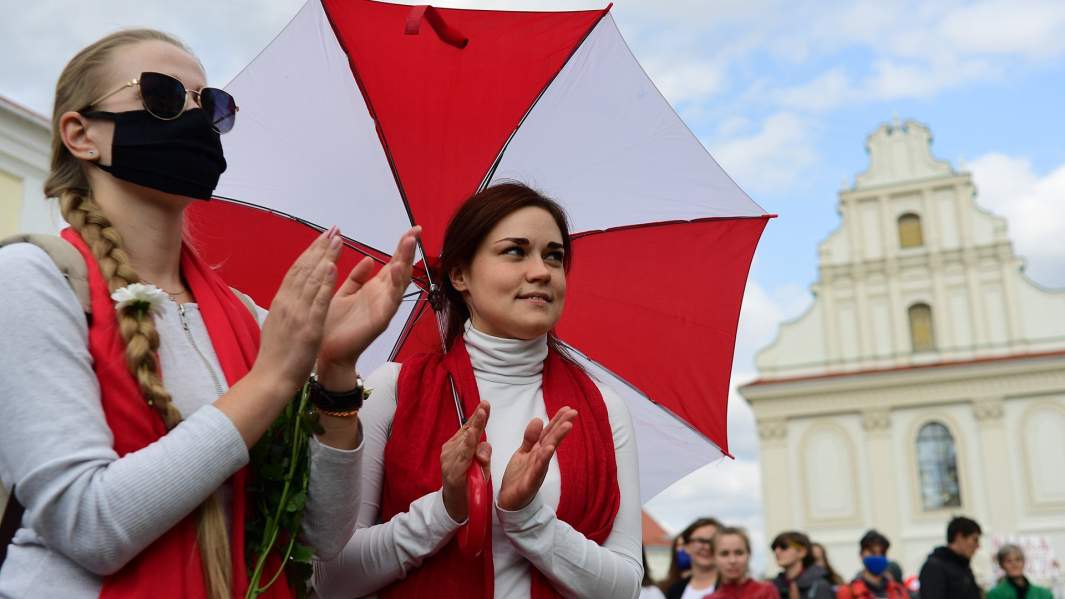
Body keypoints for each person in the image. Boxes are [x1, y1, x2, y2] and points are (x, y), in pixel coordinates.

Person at [0, 29, 420, 598]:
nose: (196, 119)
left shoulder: (245, 316)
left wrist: (335, 372)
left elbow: (319, 536)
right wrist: (272, 379)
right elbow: (88, 524)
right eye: (164, 96)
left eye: (211, 105)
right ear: (82, 135)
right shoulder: (34, 277)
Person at [313, 183, 642, 598]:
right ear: (460, 275)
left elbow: (626, 586)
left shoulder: (603, 409)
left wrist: (527, 517)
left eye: (554, 256)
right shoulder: (392, 388)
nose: (541, 271)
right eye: (515, 251)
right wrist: (444, 509)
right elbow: (327, 577)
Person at [917, 516, 983, 599]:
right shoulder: (934, 567)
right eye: (975, 539)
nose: (978, 546)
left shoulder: (963, 566)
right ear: (959, 537)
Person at [707, 526, 777, 599]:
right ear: (713, 557)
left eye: (739, 553)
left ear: (749, 554)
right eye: (724, 554)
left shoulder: (766, 591)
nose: (732, 560)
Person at [836, 530, 909, 599]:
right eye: (872, 552)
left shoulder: (898, 591)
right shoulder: (849, 592)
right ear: (861, 555)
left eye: (882, 553)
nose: (878, 556)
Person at [666, 518, 723, 599]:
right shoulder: (673, 591)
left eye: (712, 541)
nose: (707, 547)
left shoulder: (735, 587)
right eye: (701, 541)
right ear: (686, 546)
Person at [770, 531, 834, 599]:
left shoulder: (820, 585)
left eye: (784, 547)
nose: (777, 552)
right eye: (774, 548)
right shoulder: (774, 586)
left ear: (801, 552)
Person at [987, 544, 1053, 599]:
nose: (1014, 564)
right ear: (1001, 565)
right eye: (1009, 561)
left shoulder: (1044, 594)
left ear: (1024, 562)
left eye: (1018, 559)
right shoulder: (995, 595)